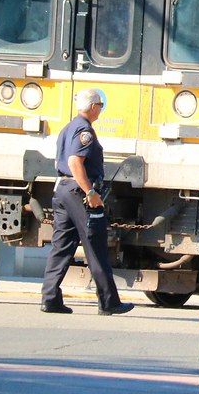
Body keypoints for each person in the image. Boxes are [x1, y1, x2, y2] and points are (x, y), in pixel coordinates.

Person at [40, 88, 133, 316]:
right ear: (93, 107)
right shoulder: (84, 130)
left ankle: (50, 298)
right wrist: (90, 192)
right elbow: (74, 162)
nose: (101, 109)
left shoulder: (67, 128)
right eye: (100, 105)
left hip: (62, 189)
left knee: (61, 247)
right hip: (78, 193)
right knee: (96, 244)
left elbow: (58, 163)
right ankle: (109, 302)